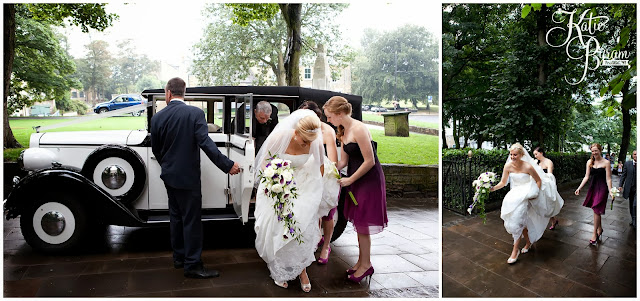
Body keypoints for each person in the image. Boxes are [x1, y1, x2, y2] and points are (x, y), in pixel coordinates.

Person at [150, 77, 242, 279]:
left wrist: (167, 165)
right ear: (184, 92)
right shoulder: (194, 113)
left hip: (169, 176)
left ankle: (179, 258)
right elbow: (206, 143)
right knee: (191, 220)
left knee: (175, 218)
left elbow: (156, 149)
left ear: (168, 93)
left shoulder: (157, 118)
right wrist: (227, 165)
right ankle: (192, 265)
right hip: (188, 178)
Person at [253, 109, 330, 293]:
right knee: (277, 228)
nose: (308, 145)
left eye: (310, 142)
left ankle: (302, 270)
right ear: (295, 133)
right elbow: (264, 162)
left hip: (302, 185)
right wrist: (275, 179)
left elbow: (319, 168)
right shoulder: (279, 137)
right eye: (304, 141)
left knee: (300, 227)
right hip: (278, 184)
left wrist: (313, 195)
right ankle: (278, 268)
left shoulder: (313, 141)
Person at [323, 96, 388, 283]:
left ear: (340, 114)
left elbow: (370, 161)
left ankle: (366, 265)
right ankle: (361, 262)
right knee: (359, 223)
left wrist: (350, 179)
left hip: (369, 180)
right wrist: (328, 169)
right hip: (354, 178)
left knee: (363, 223)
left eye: (329, 116)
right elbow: (343, 162)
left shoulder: (359, 129)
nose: (328, 120)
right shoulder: (342, 130)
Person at [490, 143, 553, 264]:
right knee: (518, 220)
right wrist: (492, 188)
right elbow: (503, 183)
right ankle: (528, 242)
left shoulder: (528, 167)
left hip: (526, 195)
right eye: (511, 154)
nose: (512, 157)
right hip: (514, 194)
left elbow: (538, 180)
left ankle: (515, 250)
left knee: (518, 220)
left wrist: (535, 194)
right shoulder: (508, 166)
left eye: (515, 155)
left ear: (521, 155)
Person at [298, 101, 339, 265]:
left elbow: (333, 160)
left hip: (325, 173)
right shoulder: (301, 129)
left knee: (327, 214)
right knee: (309, 211)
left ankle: (326, 245)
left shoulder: (327, 131)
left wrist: (322, 176)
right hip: (306, 171)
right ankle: (314, 239)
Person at [575, 143, 614, 245]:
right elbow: (586, 177)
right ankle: (600, 229)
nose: (594, 153)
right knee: (596, 210)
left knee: (596, 208)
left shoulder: (606, 163)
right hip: (593, 187)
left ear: (600, 150)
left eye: (596, 150)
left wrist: (610, 191)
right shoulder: (589, 162)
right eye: (592, 151)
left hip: (602, 188)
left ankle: (594, 233)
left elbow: (609, 178)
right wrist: (579, 188)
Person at [533, 147, 564, 230]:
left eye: (536, 154)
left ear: (541, 153)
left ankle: (553, 220)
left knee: (548, 204)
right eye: (534, 155)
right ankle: (552, 220)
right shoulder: (537, 163)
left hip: (547, 186)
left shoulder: (548, 162)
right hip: (539, 185)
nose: (535, 156)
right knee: (542, 204)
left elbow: (550, 175)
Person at [619, 150, 637, 228]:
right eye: (634, 154)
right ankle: (633, 219)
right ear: (632, 155)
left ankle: (635, 221)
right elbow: (623, 175)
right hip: (630, 188)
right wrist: (620, 185)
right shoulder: (628, 164)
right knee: (631, 204)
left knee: (635, 205)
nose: (636, 155)